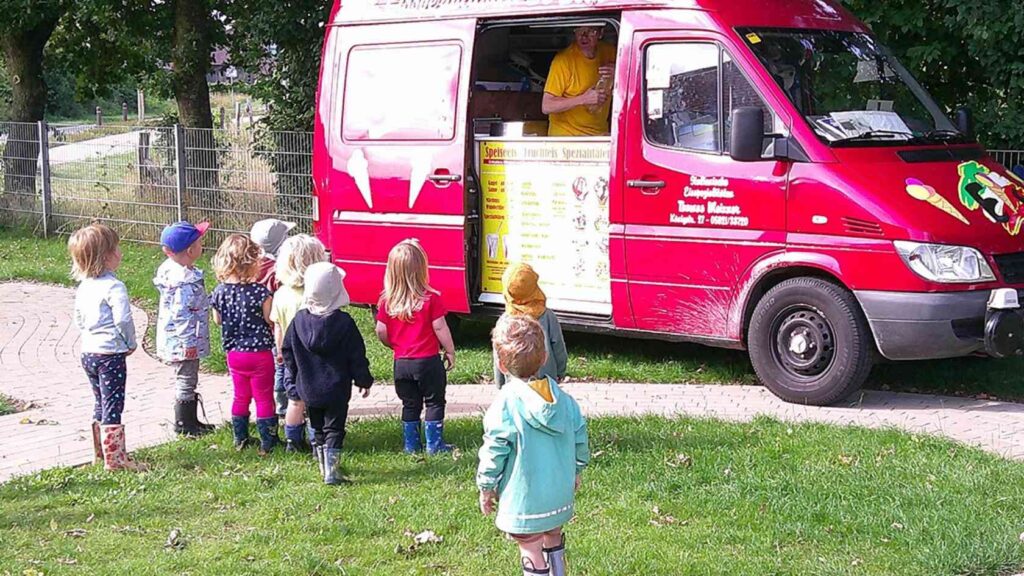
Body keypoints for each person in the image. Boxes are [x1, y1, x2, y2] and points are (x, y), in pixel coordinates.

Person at [478, 315, 589, 576]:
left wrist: (486, 486)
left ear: (501, 364)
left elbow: (494, 450)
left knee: (529, 545)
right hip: (558, 494)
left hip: (525, 497)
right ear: (543, 358)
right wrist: (576, 469)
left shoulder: (505, 405)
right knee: (552, 533)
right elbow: (580, 438)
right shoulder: (564, 400)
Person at [282, 262, 373, 485]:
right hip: (336, 388)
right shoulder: (345, 323)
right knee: (334, 427)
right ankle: (331, 471)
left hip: (308, 387)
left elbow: (287, 351)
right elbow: (356, 355)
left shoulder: (298, 321)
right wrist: (363, 379)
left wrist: (292, 378)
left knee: (318, 426)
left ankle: (322, 463)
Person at [68, 223, 146, 472]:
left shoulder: (84, 287)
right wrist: (130, 343)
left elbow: (78, 319)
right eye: (116, 248)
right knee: (113, 403)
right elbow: (123, 319)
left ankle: (99, 454)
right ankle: (116, 460)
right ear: (107, 256)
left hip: (88, 352)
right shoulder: (114, 287)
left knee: (100, 401)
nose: (120, 253)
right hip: (110, 354)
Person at [375, 239, 457, 455]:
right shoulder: (431, 299)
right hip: (428, 361)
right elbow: (440, 328)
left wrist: (393, 344)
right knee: (434, 401)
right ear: (422, 269)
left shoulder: (386, 302)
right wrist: (449, 350)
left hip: (401, 363)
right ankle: (434, 444)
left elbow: (380, 330)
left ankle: (411, 445)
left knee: (410, 404)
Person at [210, 234, 277, 455]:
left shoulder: (219, 292)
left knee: (241, 395)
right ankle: (268, 441)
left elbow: (217, 320)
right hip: (260, 353)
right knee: (264, 396)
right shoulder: (260, 292)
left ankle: (240, 438)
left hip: (235, 352)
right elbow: (270, 319)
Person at [154, 220, 215, 438]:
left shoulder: (178, 272)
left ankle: (191, 419)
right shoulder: (182, 282)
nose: (203, 247)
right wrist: (189, 343)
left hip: (178, 337)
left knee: (188, 377)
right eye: (200, 243)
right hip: (183, 341)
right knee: (186, 378)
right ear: (190, 250)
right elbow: (182, 314)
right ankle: (184, 422)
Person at [271, 234, 328, 452]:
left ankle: (292, 441)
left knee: (294, 400)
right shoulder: (317, 295)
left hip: (289, 356)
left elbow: (277, 326)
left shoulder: (281, 294)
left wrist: (279, 351)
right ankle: (317, 441)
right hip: (314, 357)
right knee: (315, 402)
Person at [493, 263, 567, 388]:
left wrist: (500, 382)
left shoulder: (504, 321)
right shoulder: (548, 316)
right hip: (546, 381)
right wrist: (560, 371)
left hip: (514, 384)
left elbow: (498, 354)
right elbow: (558, 346)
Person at [250, 218, 296, 419]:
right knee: (280, 365)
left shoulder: (250, 267)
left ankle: (268, 401)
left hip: (254, 328)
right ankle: (282, 404)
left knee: (266, 367)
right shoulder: (277, 270)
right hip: (276, 326)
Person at [542, 25, 617, 137]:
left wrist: (619, 71)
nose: (584, 36)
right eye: (579, 31)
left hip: (599, 135)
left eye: (590, 31)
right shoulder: (563, 61)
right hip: (567, 137)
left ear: (601, 34)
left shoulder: (610, 52)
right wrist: (583, 99)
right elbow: (547, 106)